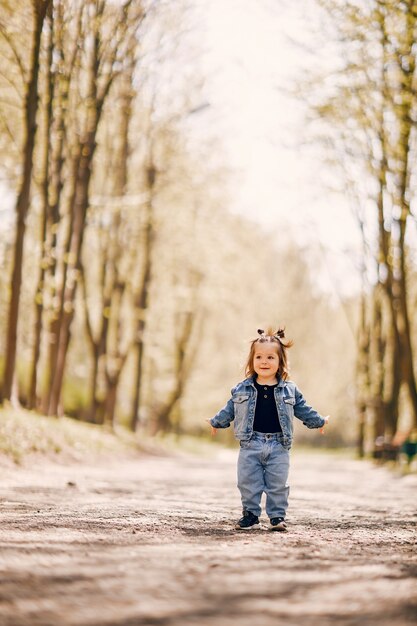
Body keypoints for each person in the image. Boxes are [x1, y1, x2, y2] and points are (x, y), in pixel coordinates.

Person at [207, 327, 329, 531]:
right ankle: (251, 515)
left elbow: (303, 409)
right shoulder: (241, 388)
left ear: (280, 362)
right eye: (259, 357)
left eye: (271, 357)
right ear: (252, 361)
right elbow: (230, 409)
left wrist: (319, 421)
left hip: (279, 445)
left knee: (278, 484)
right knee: (247, 482)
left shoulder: (290, 389)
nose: (264, 362)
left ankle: (277, 517)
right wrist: (216, 422)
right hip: (250, 444)